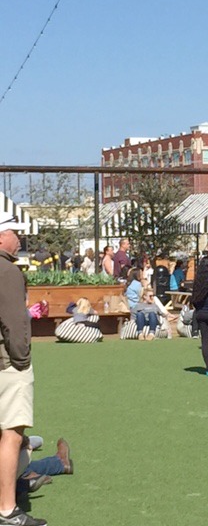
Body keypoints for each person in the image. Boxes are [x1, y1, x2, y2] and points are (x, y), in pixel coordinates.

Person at [0, 216, 47, 526]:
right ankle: (7, 509)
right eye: (14, 231)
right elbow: (15, 324)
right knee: (12, 434)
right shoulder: (7, 270)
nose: (18, 237)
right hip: (6, 363)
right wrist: (22, 359)